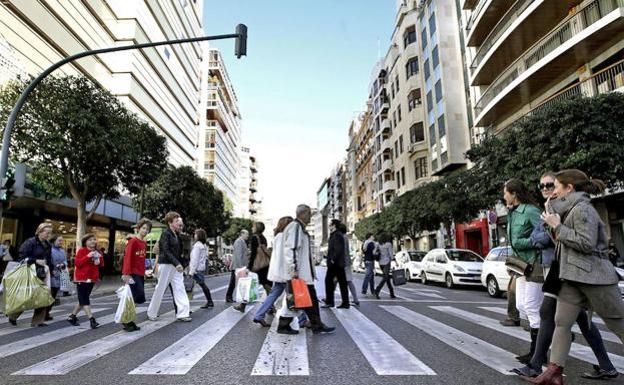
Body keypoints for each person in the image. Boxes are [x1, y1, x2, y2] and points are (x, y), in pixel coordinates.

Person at [513, 172, 617, 379]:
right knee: (561, 318)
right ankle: (550, 369)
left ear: (567, 188)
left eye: (551, 185)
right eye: (541, 185)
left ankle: (542, 365)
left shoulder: (577, 209)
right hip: (563, 270)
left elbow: (580, 242)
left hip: (580, 272)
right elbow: (539, 236)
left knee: (613, 320)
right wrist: (551, 222)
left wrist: (555, 226)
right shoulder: (557, 209)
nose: (546, 189)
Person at [504, 178, 544, 365]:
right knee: (520, 306)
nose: (504, 196)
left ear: (514, 194)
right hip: (519, 264)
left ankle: (537, 353)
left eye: (506, 192)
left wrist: (522, 243)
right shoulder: (512, 213)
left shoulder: (531, 211)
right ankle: (550, 331)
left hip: (534, 263)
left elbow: (545, 235)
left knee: (531, 306)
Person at [278, 204, 335, 335]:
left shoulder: (298, 227)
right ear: (302, 214)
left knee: (307, 301)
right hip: (300, 274)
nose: (310, 218)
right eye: (309, 214)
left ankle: (316, 324)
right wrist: (293, 269)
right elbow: (291, 248)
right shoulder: (296, 227)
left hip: (303, 274)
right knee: (302, 300)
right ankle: (288, 325)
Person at [253, 216, 311, 328]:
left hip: (278, 271)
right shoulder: (285, 236)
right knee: (295, 295)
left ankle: (259, 315)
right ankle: (302, 319)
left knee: (275, 294)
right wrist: (293, 269)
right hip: (286, 271)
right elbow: (287, 255)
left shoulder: (278, 236)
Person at [147, 211, 191, 322]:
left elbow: (179, 253)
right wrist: (177, 263)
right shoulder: (165, 234)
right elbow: (165, 251)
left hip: (175, 266)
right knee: (160, 289)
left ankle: (183, 313)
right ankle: (152, 313)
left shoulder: (177, 235)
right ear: (170, 223)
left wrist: (182, 264)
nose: (178, 224)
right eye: (176, 221)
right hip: (166, 264)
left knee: (180, 288)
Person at [7, 223, 53, 327]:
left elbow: (48, 259)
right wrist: (36, 261)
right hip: (30, 273)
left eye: (50, 233)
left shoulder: (48, 245)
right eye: (47, 232)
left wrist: (51, 269)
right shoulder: (30, 242)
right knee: (27, 297)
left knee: (43, 296)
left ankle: (38, 321)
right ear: (40, 231)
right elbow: (21, 258)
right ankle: (13, 315)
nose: (48, 235)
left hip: (42, 273)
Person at [121, 218, 152, 332]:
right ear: (138, 228)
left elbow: (142, 259)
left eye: (147, 229)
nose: (145, 231)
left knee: (137, 298)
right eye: (143, 228)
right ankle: (126, 320)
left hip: (139, 273)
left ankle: (129, 319)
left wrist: (145, 271)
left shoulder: (144, 243)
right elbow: (127, 258)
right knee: (136, 296)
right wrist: (126, 274)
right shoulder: (133, 241)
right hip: (132, 273)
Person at [67, 233, 103, 329]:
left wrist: (99, 261)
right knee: (85, 299)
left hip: (92, 279)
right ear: (85, 242)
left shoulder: (97, 252)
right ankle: (92, 320)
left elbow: (101, 264)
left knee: (83, 299)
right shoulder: (82, 251)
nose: (93, 241)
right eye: (90, 240)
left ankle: (72, 317)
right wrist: (88, 256)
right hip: (82, 279)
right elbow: (77, 263)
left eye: (94, 239)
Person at [235, 223, 271, 313]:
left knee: (249, 285)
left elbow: (254, 254)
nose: (252, 228)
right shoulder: (263, 238)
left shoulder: (255, 238)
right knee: (267, 286)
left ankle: (242, 306)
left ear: (257, 228)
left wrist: (249, 267)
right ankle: (271, 306)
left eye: (253, 227)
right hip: (265, 265)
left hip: (257, 267)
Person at [322, 219, 349, 309]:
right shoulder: (335, 235)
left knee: (329, 281)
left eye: (330, 225)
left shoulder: (337, 235)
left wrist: (332, 260)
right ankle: (344, 303)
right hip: (336, 263)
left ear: (334, 225)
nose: (329, 226)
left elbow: (338, 249)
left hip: (336, 264)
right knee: (341, 282)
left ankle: (330, 302)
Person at [189, 228, 214, 309]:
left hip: (196, 270)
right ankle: (210, 301)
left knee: (188, 287)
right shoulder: (203, 245)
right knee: (201, 285)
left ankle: (210, 302)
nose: (194, 235)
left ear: (199, 236)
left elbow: (195, 260)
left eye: (196, 234)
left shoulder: (197, 246)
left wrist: (191, 271)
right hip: (200, 268)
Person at [46, 233, 68, 320]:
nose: (61, 242)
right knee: (49, 296)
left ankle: (47, 312)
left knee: (54, 295)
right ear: (53, 240)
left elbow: (65, 261)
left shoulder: (62, 251)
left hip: (59, 275)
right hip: (49, 275)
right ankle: (44, 313)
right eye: (59, 240)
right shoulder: (49, 250)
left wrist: (63, 264)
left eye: (61, 240)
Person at [225, 229, 249, 303]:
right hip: (237, 266)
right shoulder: (239, 242)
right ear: (242, 234)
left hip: (239, 266)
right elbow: (238, 255)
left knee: (236, 282)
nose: (247, 236)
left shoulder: (243, 242)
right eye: (246, 234)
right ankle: (228, 297)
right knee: (233, 282)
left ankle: (231, 297)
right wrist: (241, 267)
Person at [339, 223, 359, 306]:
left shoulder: (342, 238)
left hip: (343, 263)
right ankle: (355, 299)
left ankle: (330, 299)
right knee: (348, 281)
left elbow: (341, 251)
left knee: (338, 281)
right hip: (346, 262)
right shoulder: (345, 237)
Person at [374, 234, 396, 299]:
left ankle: (392, 293)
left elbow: (374, 252)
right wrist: (393, 259)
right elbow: (391, 255)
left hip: (380, 262)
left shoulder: (377, 244)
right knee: (385, 277)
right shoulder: (388, 244)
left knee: (387, 278)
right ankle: (377, 290)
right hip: (387, 262)